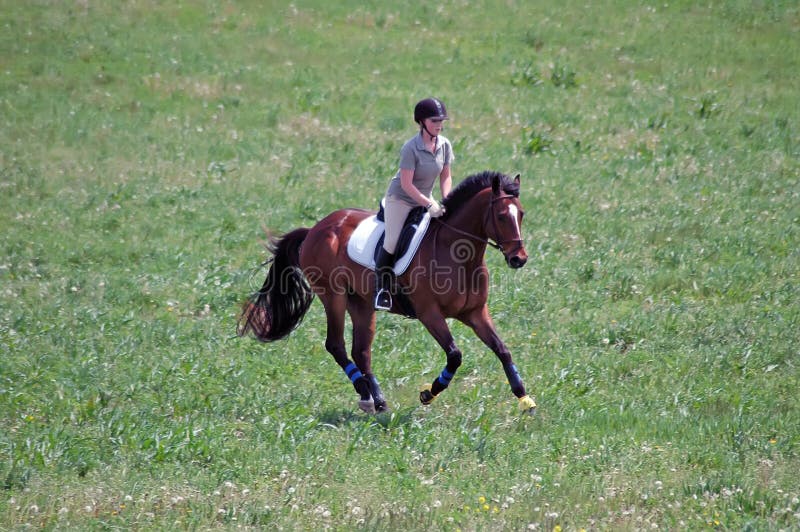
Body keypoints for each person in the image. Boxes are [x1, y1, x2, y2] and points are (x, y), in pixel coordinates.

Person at [374, 97, 454, 311]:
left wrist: (447, 199)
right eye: (434, 120)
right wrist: (429, 204)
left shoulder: (444, 145)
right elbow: (407, 184)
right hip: (400, 199)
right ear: (421, 122)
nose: (439, 124)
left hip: (425, 198)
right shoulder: (410, 148)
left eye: (441, 120)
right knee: (391, 241)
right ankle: (382, 290)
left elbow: (445, 177)